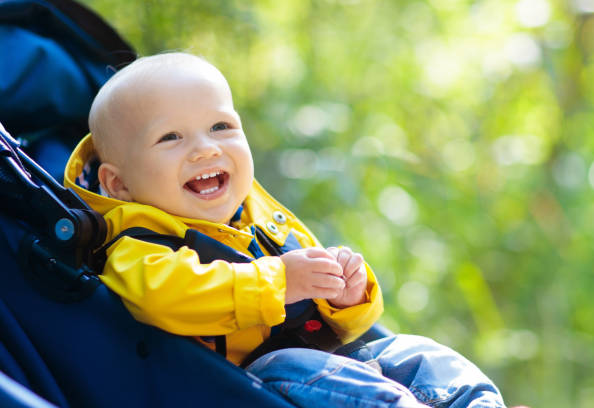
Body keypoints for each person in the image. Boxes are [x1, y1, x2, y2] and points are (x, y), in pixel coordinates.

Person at [64, 52, 506, 408]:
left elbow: (347, 329)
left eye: (221, 127)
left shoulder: (261, 218)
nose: (205, 149)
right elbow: (167, 296)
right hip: (245, 384)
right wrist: (281, 280)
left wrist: (345, 295)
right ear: (118, 183)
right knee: (293, 365)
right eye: (171, 138)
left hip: (334, 367)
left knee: (418, 354)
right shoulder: (136, 247)